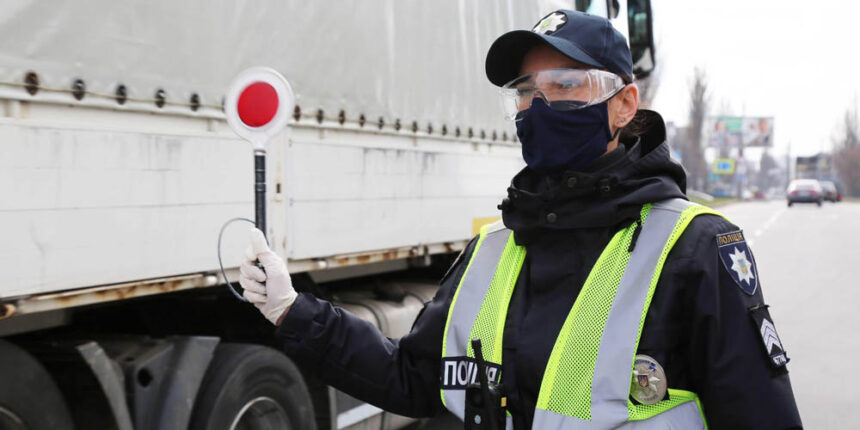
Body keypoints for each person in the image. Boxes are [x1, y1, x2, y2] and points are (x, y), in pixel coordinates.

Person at [239, 9, 802, 430]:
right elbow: (412, 380)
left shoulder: (695, 246)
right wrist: (294, 311)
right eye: (527, 92)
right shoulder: (493, 249)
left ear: (624, 105)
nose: (538, 106)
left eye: (563, 85)